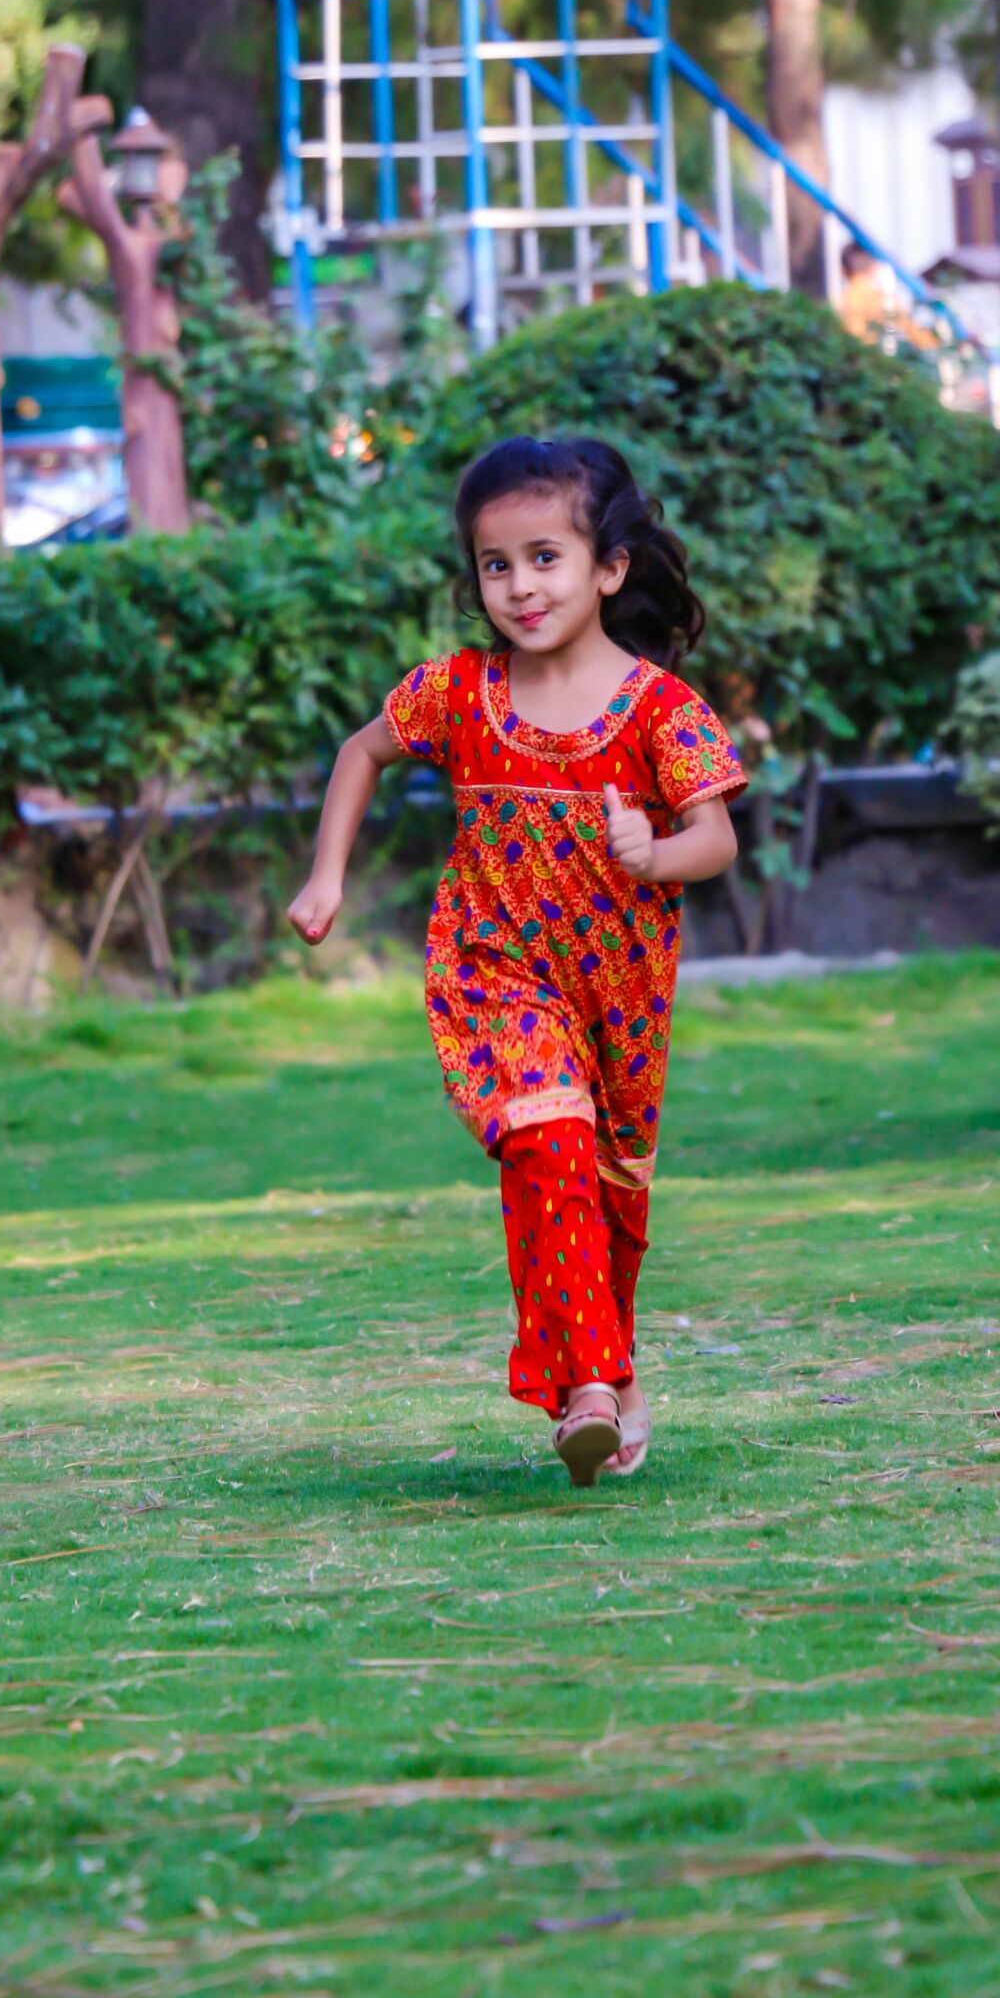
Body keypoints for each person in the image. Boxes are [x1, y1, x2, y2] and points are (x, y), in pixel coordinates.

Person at [288, 435, 746, 1487]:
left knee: (605, 1191)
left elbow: (715, 838)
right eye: (497, 565)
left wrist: (653, 850)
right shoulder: (456, 694)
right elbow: (362, 751)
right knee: (544, 1146)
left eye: (545, 557)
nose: (520, 586)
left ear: (608, 568)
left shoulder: (661, 710)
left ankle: (610, 1373)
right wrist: (327, 878)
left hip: (620, 999)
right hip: (495, 976)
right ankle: (586, 1387)